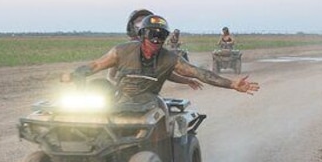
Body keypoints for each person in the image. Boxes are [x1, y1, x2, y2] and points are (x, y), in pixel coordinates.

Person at [64, 15, 259, 103]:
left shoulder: (170, 59)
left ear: (165, 38)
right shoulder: (121, 51)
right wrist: (75, 74)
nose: (156, 39)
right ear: (142, 34)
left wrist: (232, 84)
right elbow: (96, 65)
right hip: (119, 99)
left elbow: (200, 73)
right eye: (151, 34)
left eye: (160, 35)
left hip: (149, 102)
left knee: (157, 119)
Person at [119, 9, 202, 90]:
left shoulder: (153, 49)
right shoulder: (124, 50)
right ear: (131, 26)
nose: (142, 23)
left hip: (147, 95)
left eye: (145, 20)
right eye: (139, 21)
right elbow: (111, 75)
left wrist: (187, 80)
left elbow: (164, 72)